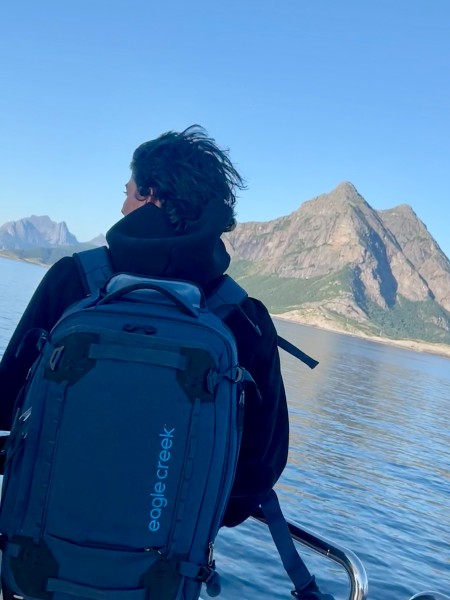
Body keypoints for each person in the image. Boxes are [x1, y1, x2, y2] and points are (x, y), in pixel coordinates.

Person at [0, 125, 288, 527]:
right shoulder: (243, 318)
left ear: (150, 195)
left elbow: (5, 402)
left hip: (39, 553)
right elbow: (258, 471)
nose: (121, 208)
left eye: (127, 191)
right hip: (161, 566)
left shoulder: (73, 279)